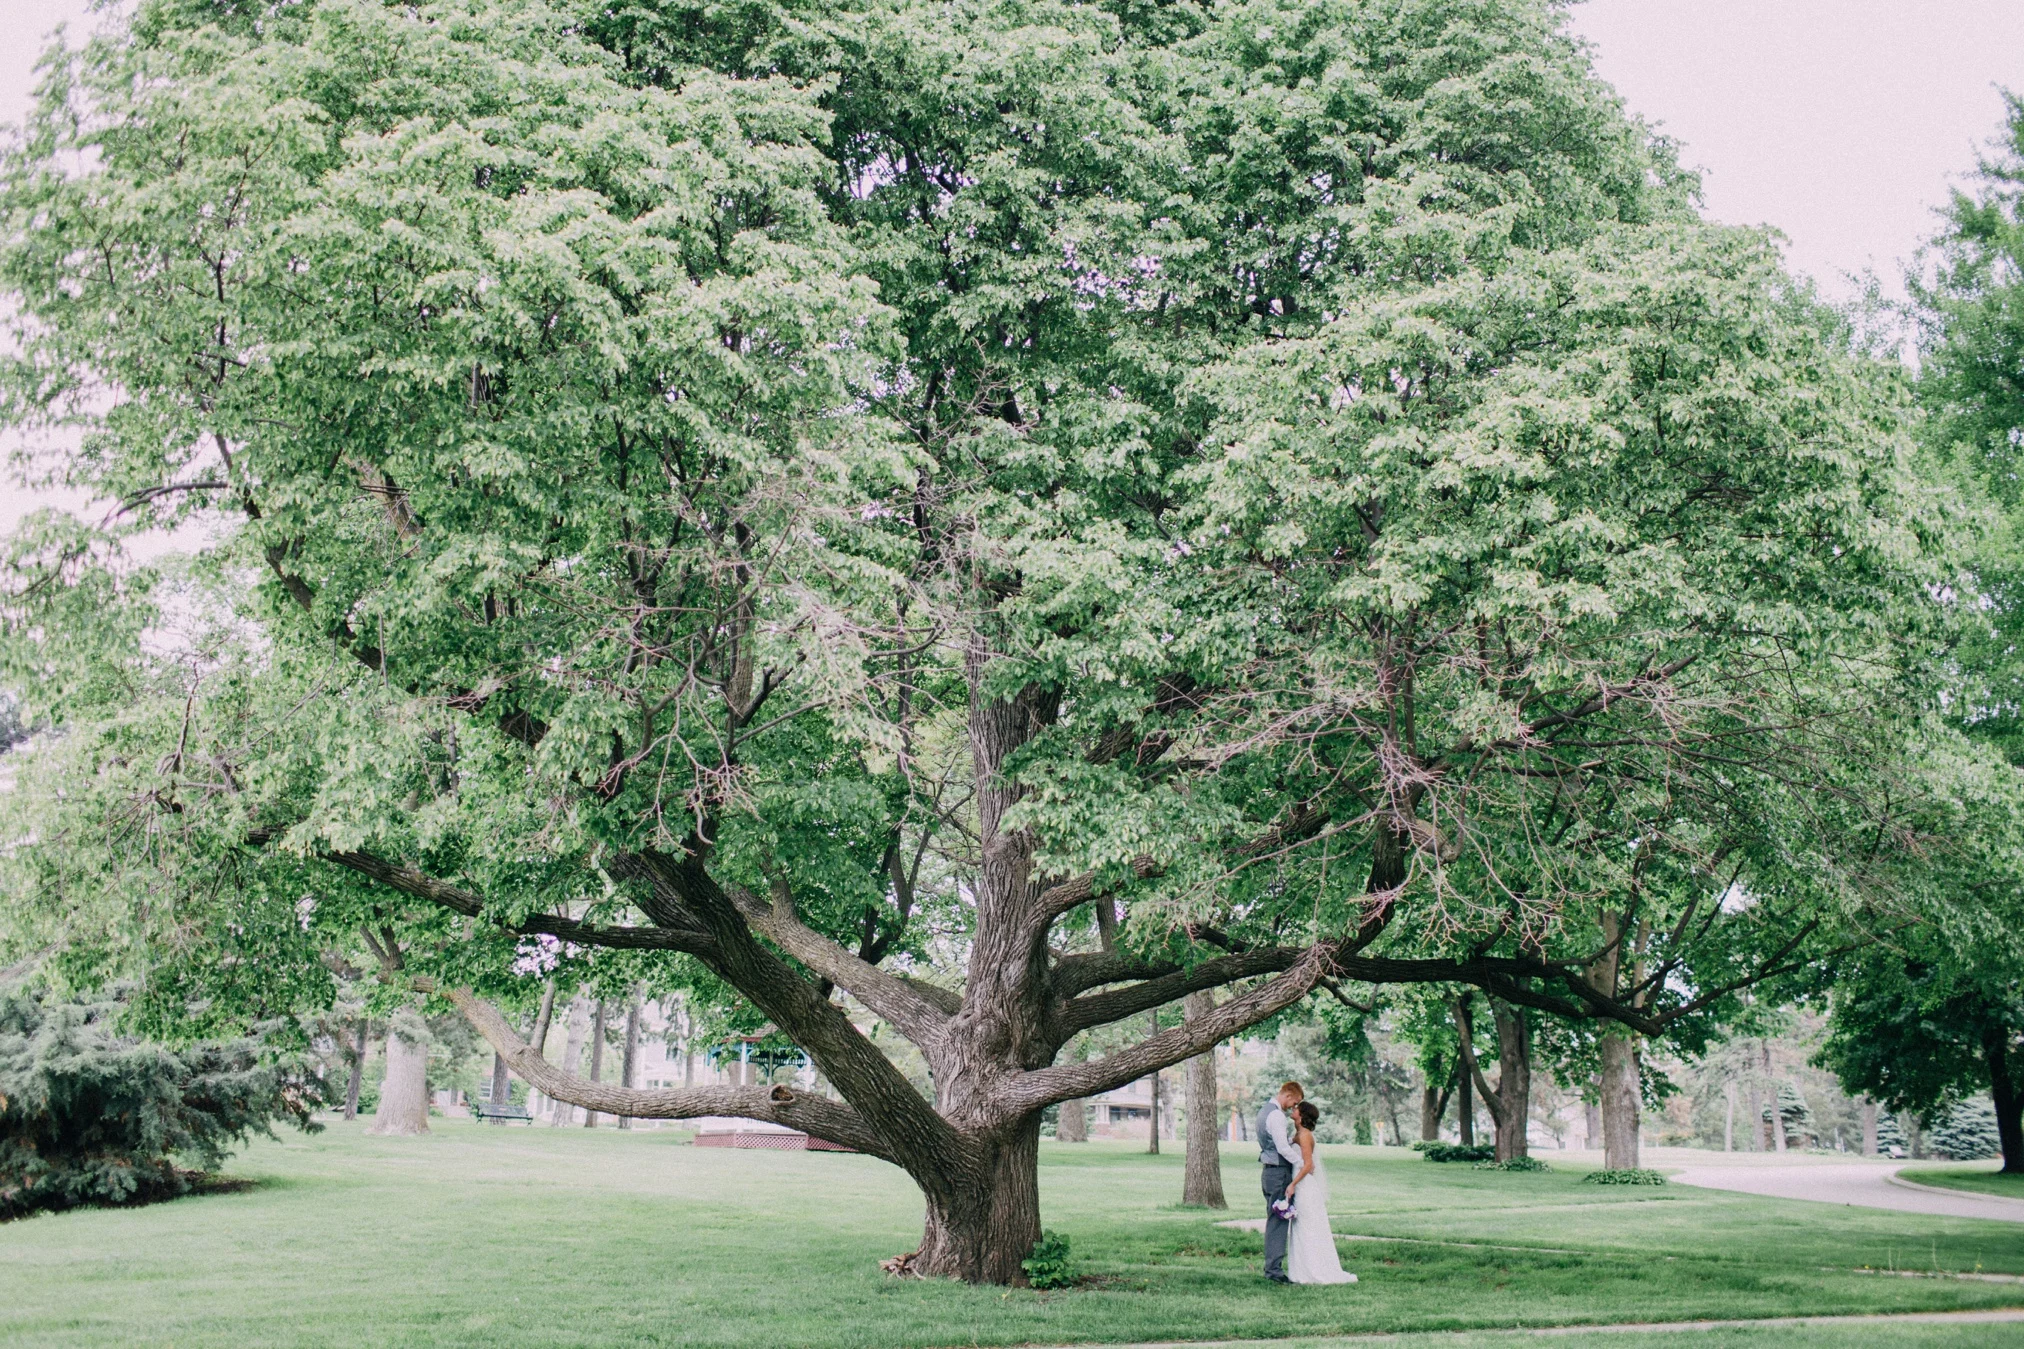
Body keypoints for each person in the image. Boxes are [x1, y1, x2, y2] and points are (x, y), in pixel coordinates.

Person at [1282, 1100, 1358, 1284]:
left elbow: (1309, 1165)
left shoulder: (1305, 1135)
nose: (1293, 1109)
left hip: (1305, 1187)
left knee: (1308, 1228)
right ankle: (1301, 1271)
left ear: (1302, 1114)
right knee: (1301, 1228)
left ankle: (1314, 1271)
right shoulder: (1299, 1133)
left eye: (1296, 1108)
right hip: (1301, 1185)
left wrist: (1292, 1184)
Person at [1256, 1080, 1302, 1283]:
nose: (1294, 1107)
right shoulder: (1276, 1115)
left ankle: (1272, 1267)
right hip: (1278, 1173)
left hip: (1269, 1171)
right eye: (1295, 1102)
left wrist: (1293, 1140)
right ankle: (1274, 1271)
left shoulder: (1264, 1111)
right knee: (1278, 1221)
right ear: (1288, 1095)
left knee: (1275, 1219)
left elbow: (1275, 1142)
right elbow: (1282, 1149)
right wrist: (1302, 1164)